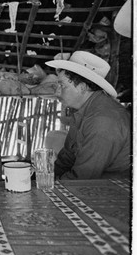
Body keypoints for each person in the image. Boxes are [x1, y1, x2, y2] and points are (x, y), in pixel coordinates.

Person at [46, 50, 131, 180]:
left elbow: (82, 178)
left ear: (82, 87)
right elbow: (66, 159)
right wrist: (47, 177)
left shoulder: (103, 120)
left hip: (111, 195)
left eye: (62, 85)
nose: (57, 92)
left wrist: (48, 184)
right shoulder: (84, 111)